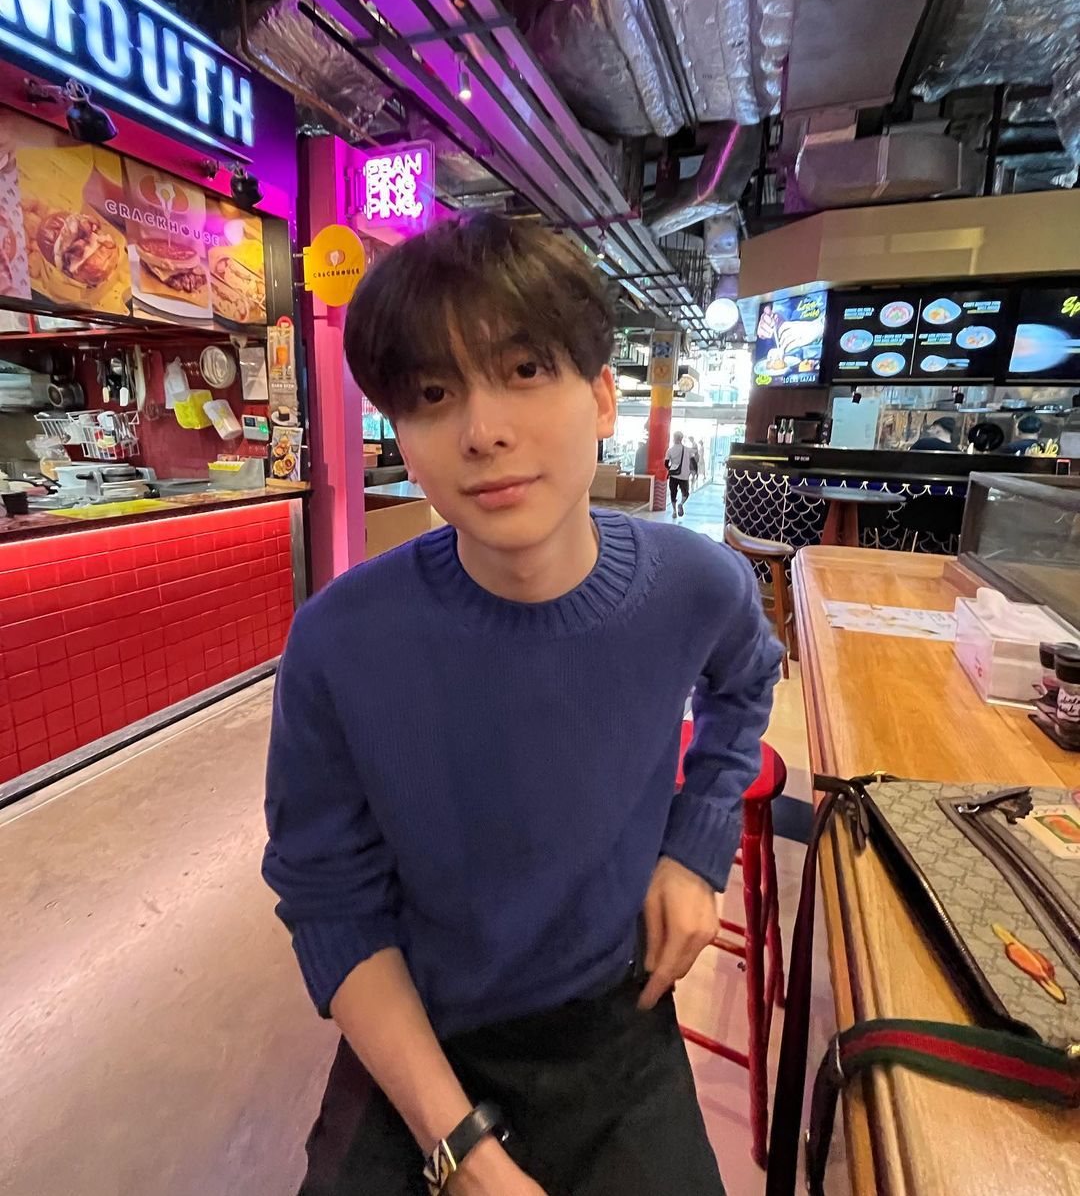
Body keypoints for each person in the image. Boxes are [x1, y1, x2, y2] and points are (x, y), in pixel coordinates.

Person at [263, 214, 783, 1196]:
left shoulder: (695, 585)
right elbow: (330, 900)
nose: (483, 430)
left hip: (614, 1021)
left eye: (525, 370)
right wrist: (460, 1152)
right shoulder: (339, 643)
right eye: (433, 394)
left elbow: (747, 677)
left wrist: (695, 844)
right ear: (402, 435)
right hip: (422, 1037)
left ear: (602, 397)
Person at [665, 431, 692, 517]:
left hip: (673, 475)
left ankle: (674, 511)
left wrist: (671, 468)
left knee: (673, 493)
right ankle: (681, 504)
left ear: (673, 438)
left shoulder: (670, 450)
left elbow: (666, 463)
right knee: (685, 493)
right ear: (681, 439)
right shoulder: (687, 450)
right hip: (684, 475)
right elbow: (692, 461)